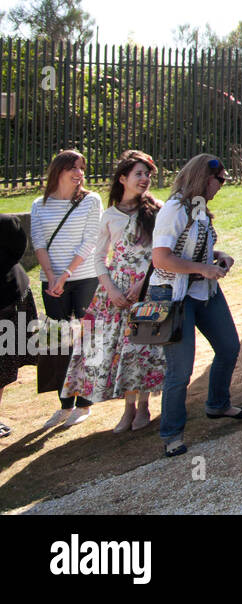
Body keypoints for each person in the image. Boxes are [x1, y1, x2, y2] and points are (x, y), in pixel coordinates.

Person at [151, 155, 242, 457]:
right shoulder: (173, 210)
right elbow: (161, 259)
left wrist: (218, 257)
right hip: (173, 295)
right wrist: (204, 269)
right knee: (180, 370)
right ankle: (171, 434)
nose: (222, 185)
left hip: (204, 291)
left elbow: (195, 249)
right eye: (220, 179)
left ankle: (218, 404)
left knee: (229, 346)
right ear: (203, 179)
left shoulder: (199, 210)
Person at [61, 151, 166, 432]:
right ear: (123, 178)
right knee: (120, 349)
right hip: (115, 293)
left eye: (147, 174)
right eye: (138, 174)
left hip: (146, 288)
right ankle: (128, 408)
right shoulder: (109, 215)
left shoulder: (157, 210)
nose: (144, 179)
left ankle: (144, 405)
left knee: (143, 348)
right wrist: (111, 290)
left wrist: (142, 282)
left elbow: (162, 252)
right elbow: (98, 258)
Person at [29, 149, 102, 429]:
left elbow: (90, 240)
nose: (79, 172)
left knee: (86, 338)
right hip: (53, 282)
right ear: (58, 171)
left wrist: (67, 273)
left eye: (82, 167)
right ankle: (64, 404)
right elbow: (38, 242)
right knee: (58, 342)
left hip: (84, 277)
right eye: (73, 167)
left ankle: (85, 402)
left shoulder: (91, 200)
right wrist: (51, 276)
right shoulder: (40, 204)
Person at [0, 214, 37, 438]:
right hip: (8, 295)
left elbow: (17, 248)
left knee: (2, 364)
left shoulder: (5, 223)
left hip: (8, 297)